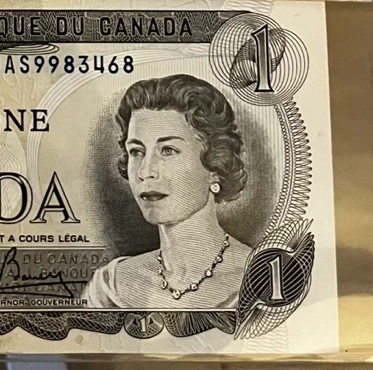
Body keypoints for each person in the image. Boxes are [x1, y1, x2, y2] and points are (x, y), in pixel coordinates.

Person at [84, 74, 252, 309]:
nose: (145, 171)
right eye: (136, 151)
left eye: (168, 150)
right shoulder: (110, 286)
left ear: (215, 166)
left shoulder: (263, 279)